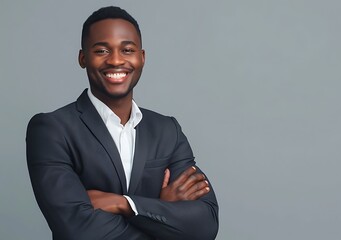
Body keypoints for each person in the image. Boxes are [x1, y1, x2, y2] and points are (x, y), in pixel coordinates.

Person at [26, 6, 219, 240]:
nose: (116, 60)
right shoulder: (51, 130)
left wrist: (125, 204)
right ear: (83, 58)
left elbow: (205, 225)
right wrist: (162, 212)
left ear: (142, 57)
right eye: (102, 50)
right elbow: (77, 231)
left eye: (127, 49)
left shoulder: (167, 131)